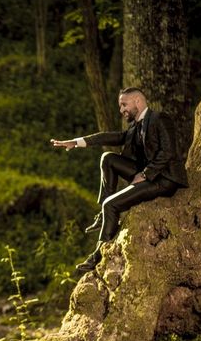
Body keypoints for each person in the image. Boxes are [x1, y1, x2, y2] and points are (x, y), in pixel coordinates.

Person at [51, 87, 188, 272]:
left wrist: (146, 173)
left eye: (124, 104)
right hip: (147, 174)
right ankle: (103, 215)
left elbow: (168, 151)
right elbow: (114, 137)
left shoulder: (159, 119)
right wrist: (77, 142)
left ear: (138, 101)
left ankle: (97, 255)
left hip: (163, 179)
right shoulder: (135, 126)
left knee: (111, 204)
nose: (121, 109)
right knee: (108, 158)